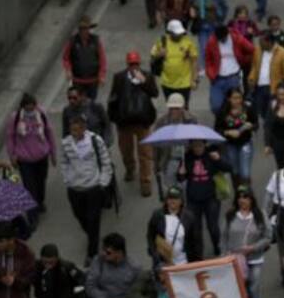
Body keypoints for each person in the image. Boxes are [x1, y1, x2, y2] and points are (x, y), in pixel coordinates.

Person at [61, 114, 114, 262]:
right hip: (74, 189)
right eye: (72, 130)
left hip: (93, 188)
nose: (75, 133)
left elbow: (105, 161)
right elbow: (64, 162)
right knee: (80, 217)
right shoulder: (66, 143)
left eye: (77, 130)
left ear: (84, 128)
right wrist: (67, 179)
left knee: (93, 219)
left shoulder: (95, 141)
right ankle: (93, 236)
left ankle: (92, 253)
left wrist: (103, 182)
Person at [107, 51, 160, 198]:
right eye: (131, 64)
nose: (133, 67)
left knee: (145, 153)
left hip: (142, 121)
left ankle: (146, 182)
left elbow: (154, 93)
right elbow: (113, 98)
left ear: (139, 63)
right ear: (127, 64)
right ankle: (130, 168)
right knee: (126, 151)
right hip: (124, 123)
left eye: (136, 64)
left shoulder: (147, 76)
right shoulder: (119, 77)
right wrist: (113, 117)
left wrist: (144, 82)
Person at [5, 93, 56, 227]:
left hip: (41, 156)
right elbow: (10, 138)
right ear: (22, 107)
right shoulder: (15, 118)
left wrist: (53, 153)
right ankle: (32, 217)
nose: (29, 111)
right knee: (29, 188)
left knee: (40, 183)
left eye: (31, 107)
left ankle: (39, 202)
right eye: (27, 108)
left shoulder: (41, 114)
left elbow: (49, 133)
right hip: (24, 159)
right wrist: (12, 156)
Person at [221, 187, 271, 298]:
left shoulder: (260, 215)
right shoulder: (230, 215)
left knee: (253, 290)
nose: (242, 200)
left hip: (255, 260)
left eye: (246, 197)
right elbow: (224, 237)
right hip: (234, 259)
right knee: (237, 290)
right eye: (240, 197)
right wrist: (223, 256)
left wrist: (253, 247)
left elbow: (268, 237)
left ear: (252, 199)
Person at [178, 139, 230, 256]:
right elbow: (180, 178)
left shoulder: (211, 155)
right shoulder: (186, 157)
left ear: (204, 145)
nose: (197, 149)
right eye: (195, 146)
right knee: (196, 229)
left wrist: (219, 159)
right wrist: (181, 173)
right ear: (191, 146)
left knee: (213, 227)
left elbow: (228, 168)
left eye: (200, 146)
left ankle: (218, 248)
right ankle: (198, 254)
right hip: (193, 199)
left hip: (211, 198)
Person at [205, 24, 254, 117]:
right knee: (216, 106)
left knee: (235, 104)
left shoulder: (237, 39)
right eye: (219, 39)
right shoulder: (212, 41)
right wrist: (210, 72)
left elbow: (251, 50)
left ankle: (231, 123)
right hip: (217, 78)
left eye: (223, 38)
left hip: (233, 77)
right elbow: (208, 58)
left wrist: (244, 60)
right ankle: (222, 120)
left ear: (227, 34)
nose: (221, 41)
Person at [248, 30, 284, 124]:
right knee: (259, 110)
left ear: (269, 42)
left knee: (272, 111)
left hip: (273, 88)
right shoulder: (258, 50)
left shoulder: (282, 53)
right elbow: (254, 66)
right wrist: (251, 78)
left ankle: (271, 128)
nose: (260, 44)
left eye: (262, 42)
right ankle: (265, 125)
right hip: (259, 87)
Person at [152, 19, 200, 109]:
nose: (179, 35)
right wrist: (159, 54)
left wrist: (194, 79)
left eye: (180, 33)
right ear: (169, 32)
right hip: (167, 82)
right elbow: (153, 57)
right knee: (171, 108)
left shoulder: (188, 43)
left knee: (184, 108)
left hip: (184, 83)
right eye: (176, 33)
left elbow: (194, 61)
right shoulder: (161, 42)